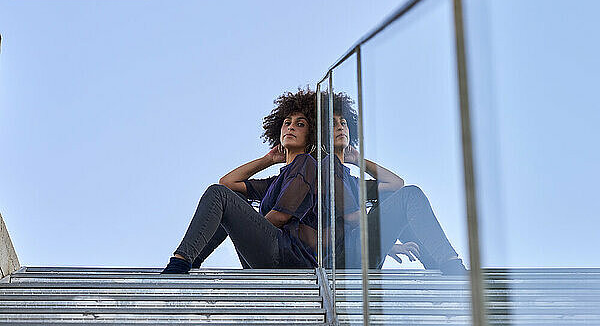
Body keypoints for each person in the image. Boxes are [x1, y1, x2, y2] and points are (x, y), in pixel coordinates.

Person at [161, 89, 320, 273]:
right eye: (287, 123)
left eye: (300, 124)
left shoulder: (306, 163)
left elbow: (280, 216)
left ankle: (179, 265)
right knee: (232, 197)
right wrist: (267, 159)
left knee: (219, 196)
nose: (291, 127)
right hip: (272, 254)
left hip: (288, 258)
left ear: (311, 135)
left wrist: (248, 226)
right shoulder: (277, 180)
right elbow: (228, 183)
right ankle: (192, 260)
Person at [321, 92, 467, 275]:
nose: (340, 127)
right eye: (333, 124)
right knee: (410, 195)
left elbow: (396, 184)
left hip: (356, 250)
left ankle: (437, 264)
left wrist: (359, 160)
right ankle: (450, 265)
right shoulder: (324, 170)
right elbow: (351, 218)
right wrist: (392, 246)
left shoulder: (351, 180)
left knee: (392, 197)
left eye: (343, 123)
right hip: (341, 256)